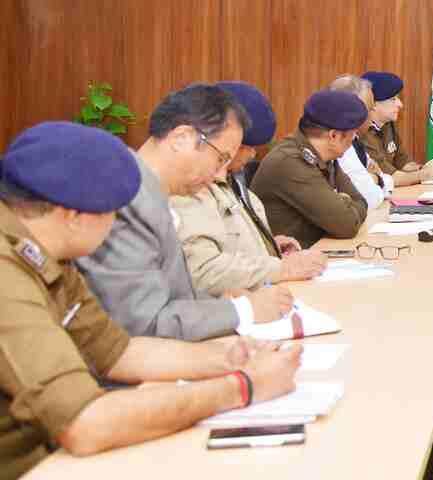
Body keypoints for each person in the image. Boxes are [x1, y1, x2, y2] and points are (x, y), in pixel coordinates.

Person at [0, 122, 302, 475]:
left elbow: (118, 352)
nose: (115, 227)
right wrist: (244, 387)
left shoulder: (47, 252)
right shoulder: (8, 274)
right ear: (73, 216)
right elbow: (85, 424)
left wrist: (228, 358)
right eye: (112, 214)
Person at [77, 84, 294, 341]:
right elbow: (144, 324)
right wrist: (243, 311)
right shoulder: (126, 199)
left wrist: (219, 304)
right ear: (181, 138)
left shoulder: (148, 191)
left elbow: (170, 294)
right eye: (220, 158)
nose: (220, 172)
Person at [170, 82, 329, 297]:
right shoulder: (192, 185)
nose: (253, 155)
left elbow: (228, 242)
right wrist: (283, 268)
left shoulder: (233, 182)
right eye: (247, 147)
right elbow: (204, 270)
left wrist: (267, 246)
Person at [251, 90, 371, 249]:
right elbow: (347, 225)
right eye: (353, 133)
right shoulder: (290, 162)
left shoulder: (326, 156)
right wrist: (344, 202)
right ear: (334, 136)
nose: (354, 139)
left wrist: (343, 203)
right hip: (290, 259)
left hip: (317, 252)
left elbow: (361, 202)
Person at [359, 71, 433, 187]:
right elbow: (389, 178)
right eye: (393, 99)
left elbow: (403, 164)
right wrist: (426, 174)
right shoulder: (362, 133)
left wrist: (425, 168)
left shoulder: (387, 124)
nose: (400, 104)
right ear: (373, 104)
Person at [330, 74, 395, 209]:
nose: (372, 115)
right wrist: (376, 178)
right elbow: (369, 199)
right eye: (370, 109)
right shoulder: (341, 143)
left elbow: (388, 180)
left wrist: (375, 178)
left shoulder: (354, 140)